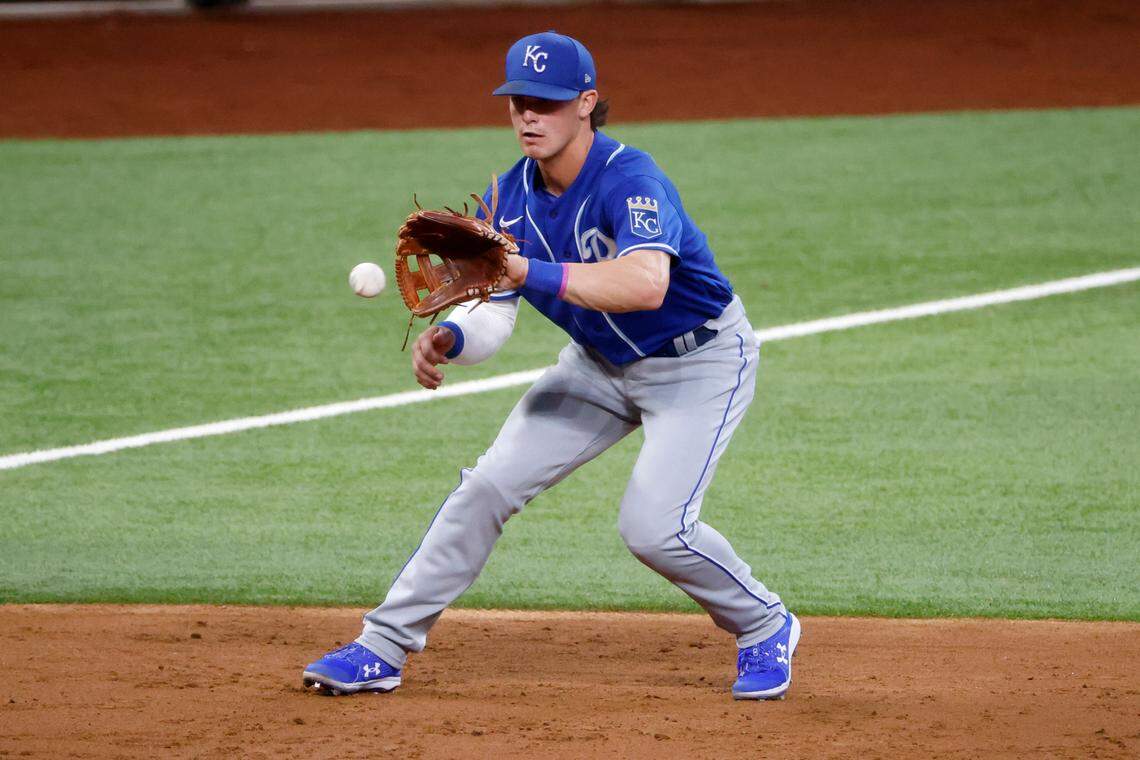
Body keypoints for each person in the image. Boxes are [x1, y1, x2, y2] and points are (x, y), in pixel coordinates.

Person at [303, 31, 799, 701]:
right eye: (518, 103)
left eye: (548, 103)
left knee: (655, 528)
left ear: (587, 103)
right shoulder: (509, 199)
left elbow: (645, 283)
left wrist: (523, 268)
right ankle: (382, 646)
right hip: (597, 366)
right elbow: (496, 309)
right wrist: (452, 336)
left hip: (700, 362)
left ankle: (764, 623)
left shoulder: (632, 178)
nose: (529, 117)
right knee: (484, 488)